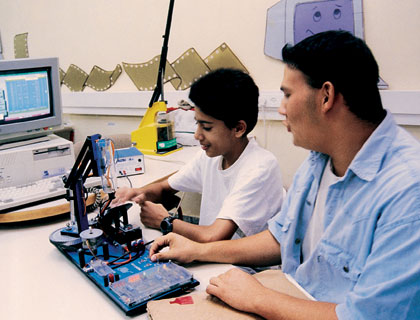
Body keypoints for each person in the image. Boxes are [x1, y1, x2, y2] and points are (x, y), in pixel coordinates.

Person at [148, 31, 420, 319]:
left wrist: (257, 298)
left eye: (288, 95)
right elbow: (280, 239)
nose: (281, 108)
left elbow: (365, 317)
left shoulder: (407, 191)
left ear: (326, 96)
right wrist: (197, 251)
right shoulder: (319, 161)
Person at [112, 68, 284, 243]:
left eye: (206, 127)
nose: (197, 135)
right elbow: (165, 187)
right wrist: (138, 193)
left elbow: (215, 236)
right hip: (209, 254)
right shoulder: (212, 156)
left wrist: (166, 222)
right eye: (197, 124)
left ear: (238, 129)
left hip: (247, 267)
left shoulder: (260, 167)